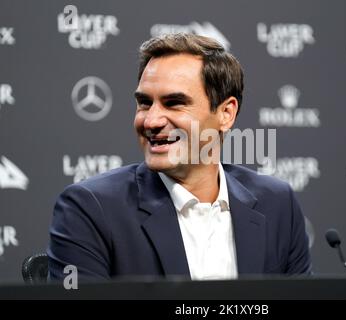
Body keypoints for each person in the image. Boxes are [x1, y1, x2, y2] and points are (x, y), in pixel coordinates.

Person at [47, 33, 311, 281]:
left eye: (174, 103)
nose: (151, 120)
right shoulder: (90, 208)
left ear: (226, 113)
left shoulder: (277, 204)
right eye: (144, 103)